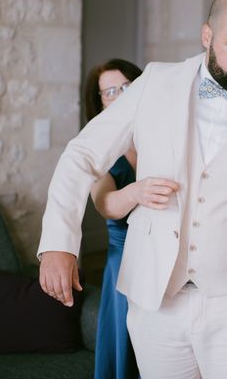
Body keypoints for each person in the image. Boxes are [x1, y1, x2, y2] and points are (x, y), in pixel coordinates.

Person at [38, 0, 227, 378]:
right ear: (207, 35)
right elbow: (83, 155)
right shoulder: (156, 83)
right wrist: (58, 244)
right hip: (156, 302)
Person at [83, 58, 147, 379]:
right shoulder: (99, 150)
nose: (119, 96)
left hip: (164, 258)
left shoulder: (160, 137)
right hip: (125, 267)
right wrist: (137, 193)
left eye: (125, 86)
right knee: (129, 354)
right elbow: (104, 202)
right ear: (100, 103)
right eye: (109, 92)